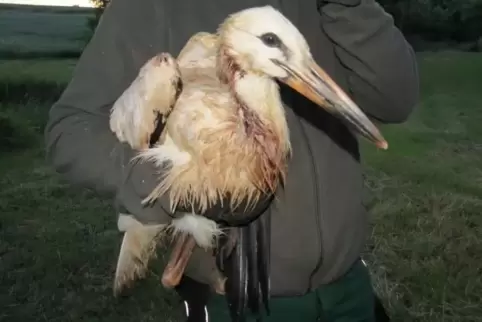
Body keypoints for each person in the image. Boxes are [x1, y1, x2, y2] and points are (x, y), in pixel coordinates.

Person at [44, 0, 419, 321]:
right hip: (236, 301)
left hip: (347, 286)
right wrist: (166, 185)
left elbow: (395, 100)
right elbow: (70, 130)